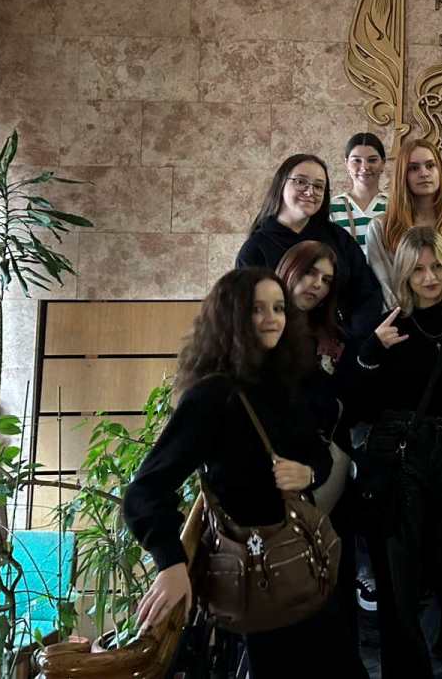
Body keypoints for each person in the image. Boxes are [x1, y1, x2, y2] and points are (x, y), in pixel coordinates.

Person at [123, 268, 337, 677]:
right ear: (232, 317)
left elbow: (318, 454)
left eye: (279, 308)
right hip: (254, 579)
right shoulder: (212, 395)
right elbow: (145, 492)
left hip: (303, 565)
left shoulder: (286, 381)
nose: (272, 319)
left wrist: (308, 474)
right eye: (257, 309)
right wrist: (170, 563)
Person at [354, 227, 442, 677]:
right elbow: (362, 406)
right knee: (400, 573)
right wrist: (371, 352)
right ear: (403, 274)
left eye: (437, 267)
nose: (430, 277)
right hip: (399, 454)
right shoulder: (391, 326)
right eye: (418, 270)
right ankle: (408, 669)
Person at [275, 241, 368, 677]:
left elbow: (350, 402)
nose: (317, 285)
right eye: (311, 272)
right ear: (290, 269)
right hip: (275, 479)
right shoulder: (261, 330)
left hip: (329, 471)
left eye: (327, 280)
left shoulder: (335, 338)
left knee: (330, 580)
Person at [237, 154, 383, 341]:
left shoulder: (338, 238)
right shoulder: (255, 249)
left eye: (319, 186)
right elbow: (250, 316)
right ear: (281, 184)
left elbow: (366, 293)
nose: (310, 191)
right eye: (300, 182)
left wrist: (353, 340)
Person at [366, 138, 442, 311]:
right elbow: (385, 289)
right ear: (402, 175)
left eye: (430, 166)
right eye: (414, 168)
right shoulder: (380, 228)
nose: (424, 173)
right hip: (399, 323)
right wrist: (408, 321)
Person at [331, 132, 389, 253]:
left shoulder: (395, 205)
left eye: (372, 160)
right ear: (346, 163)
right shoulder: (331, 207)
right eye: (357, 160)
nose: (364, 167)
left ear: (383, 163)